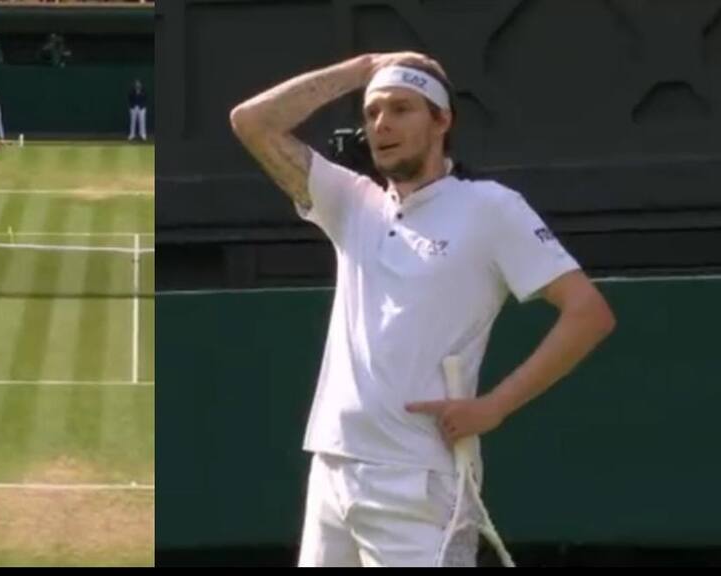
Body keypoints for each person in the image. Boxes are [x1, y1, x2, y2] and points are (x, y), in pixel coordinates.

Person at [229, 52, 616, 567]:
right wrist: (362, 68)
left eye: (402, 109)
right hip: (333, 467)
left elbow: (588, 313)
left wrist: (494, 405)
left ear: (442, 120)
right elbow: (251, 121)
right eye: (371, 113)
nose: (382, 124)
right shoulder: (352, 201)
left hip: (420, 482)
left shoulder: (490, 207)